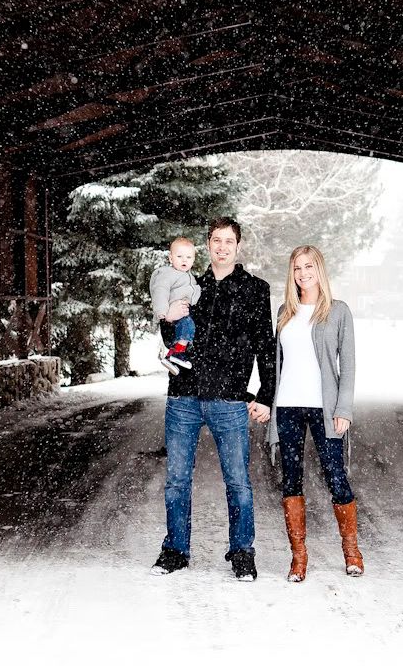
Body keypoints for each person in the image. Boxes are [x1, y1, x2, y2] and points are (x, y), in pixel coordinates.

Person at [151, 216, 275, 581]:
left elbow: (265, 346)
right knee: (176, 479)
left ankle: (242, 553)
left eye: (228, 241)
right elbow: (170, 328)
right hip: (184, 397)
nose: (222, 247)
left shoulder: (254, 289)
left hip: (230, 400)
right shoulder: (188, 282)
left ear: (238, 247)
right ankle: (175, 550)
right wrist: (168, 317)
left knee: (238, 481)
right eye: (216, 240)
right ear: (208, 244)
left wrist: (266, 395)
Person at [268, 245, 364, 582]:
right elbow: (276, 365)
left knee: (336, 476)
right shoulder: (284, 311)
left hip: (325, 408)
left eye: (309, 267)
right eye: (297, 268)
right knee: (291, 479)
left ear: (319, 270)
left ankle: (351, 551)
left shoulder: (337, 312)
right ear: (291, 274)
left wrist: (344, 408)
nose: (303, 273)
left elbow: (348, 365)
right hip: (288, 407)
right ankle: (298, 558)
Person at [149, 237, 201, 374]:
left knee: (189, 327)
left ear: (193, 260)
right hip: (175, 312)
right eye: (179, 256)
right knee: (188, 325)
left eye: (188, 257)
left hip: (184, 312)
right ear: (171, 258)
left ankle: (171, 355)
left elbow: (194, 292)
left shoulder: (189, 277)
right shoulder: (167, 275)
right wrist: (162, 312)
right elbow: (160, 291)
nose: (184, 260)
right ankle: (177, 354)